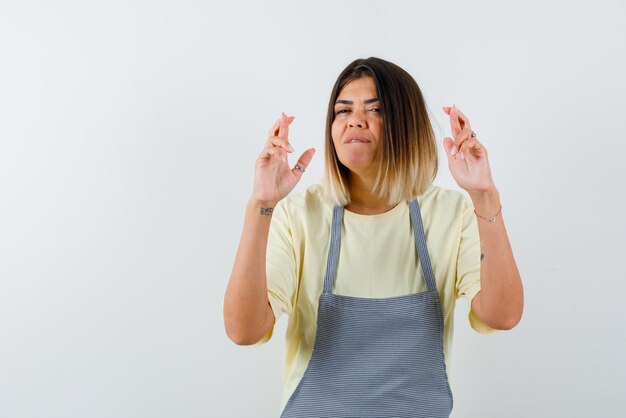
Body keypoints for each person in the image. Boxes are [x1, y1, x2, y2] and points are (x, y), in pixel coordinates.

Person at [223, 57, 523, 417]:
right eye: (343, 110)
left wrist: (484, 196)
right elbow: (244, 331)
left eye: (375, 109)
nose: (355, 120)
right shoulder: (300, 214)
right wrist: (262, 204)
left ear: (407, 123)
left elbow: (502, 315)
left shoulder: (449, 213)